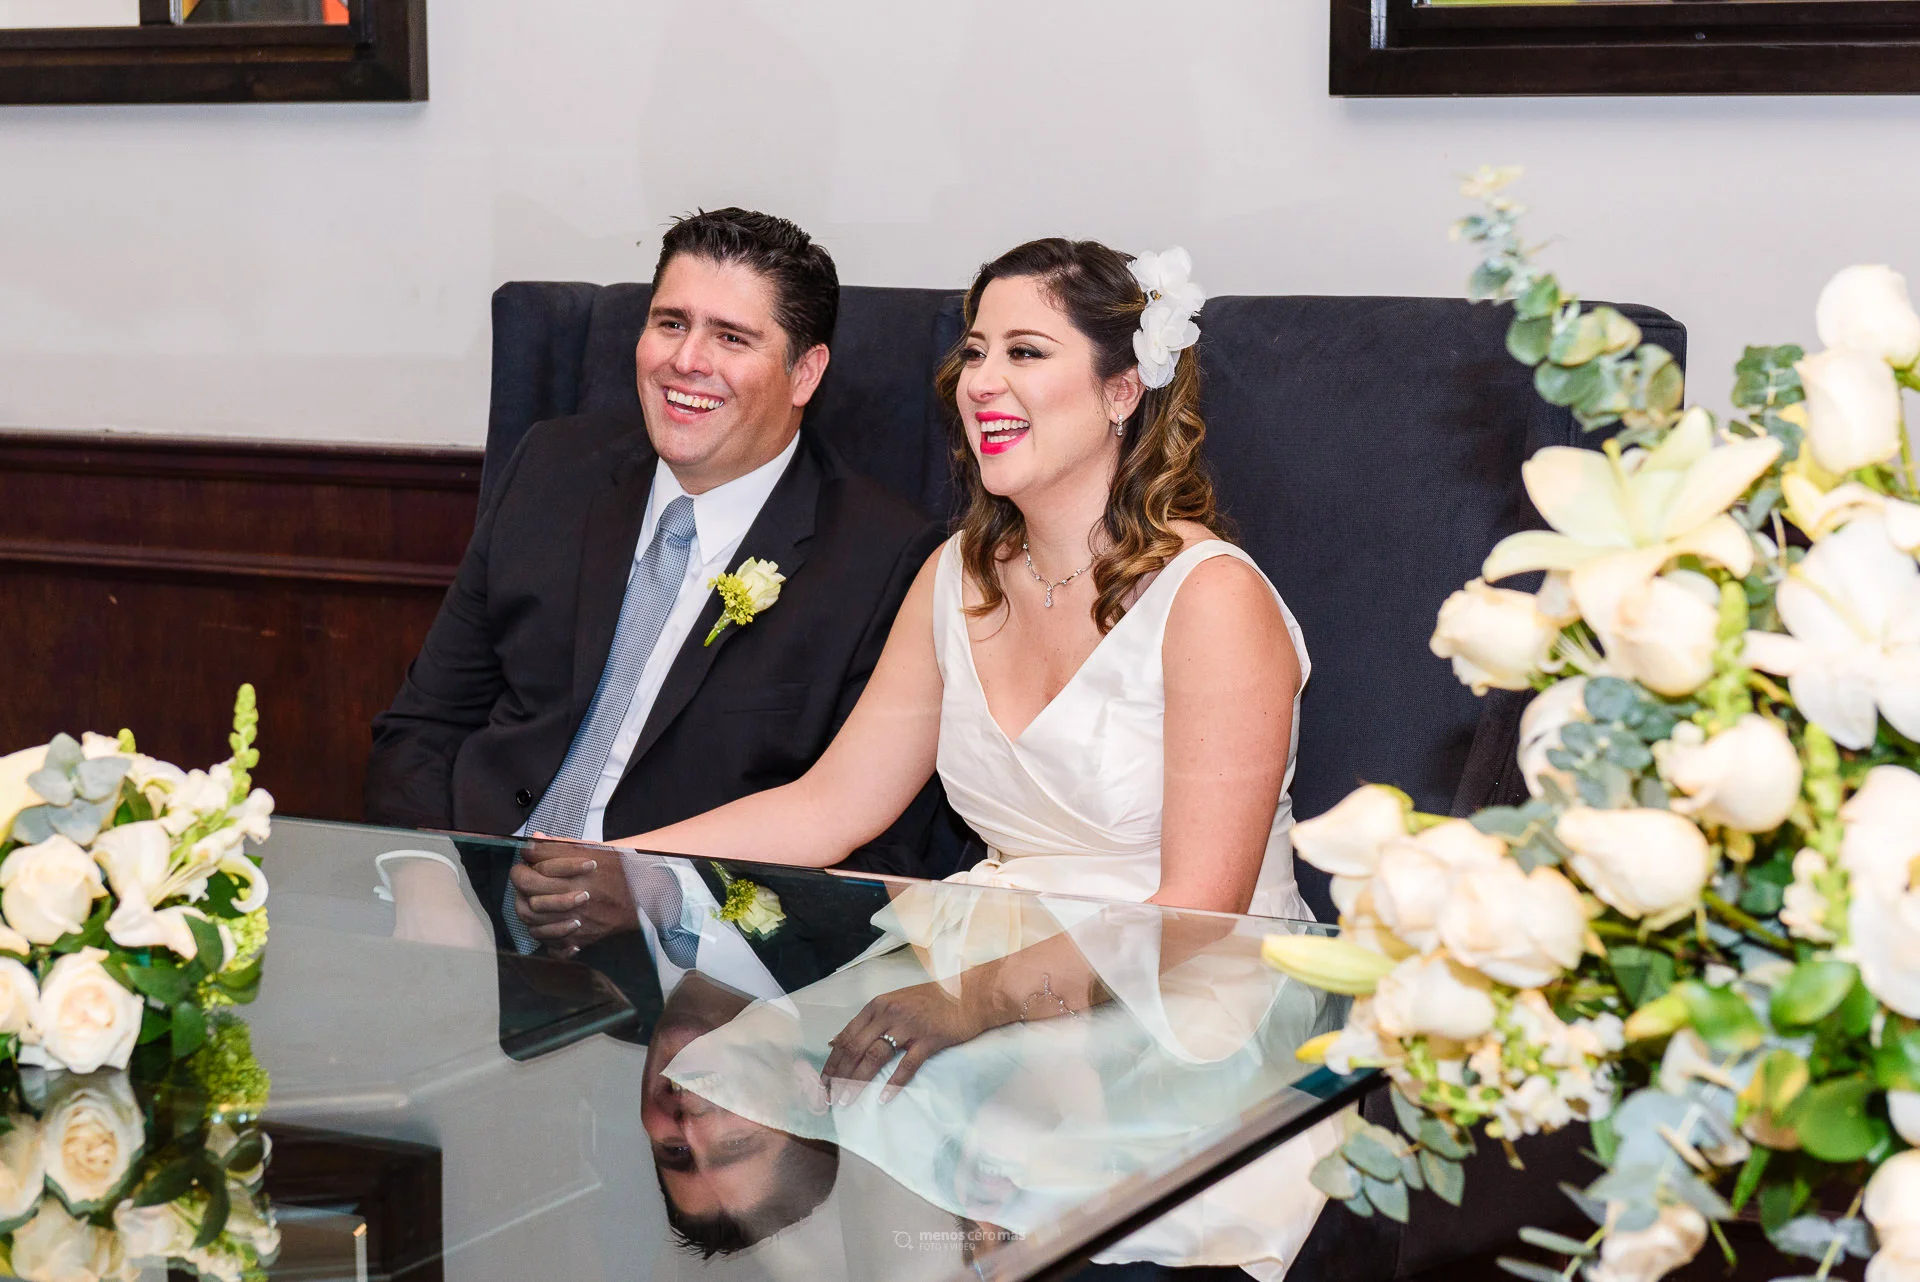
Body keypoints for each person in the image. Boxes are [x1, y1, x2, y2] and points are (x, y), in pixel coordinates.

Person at [521, 238, 1332, 1278]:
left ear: (1123, 389)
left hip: (1180, 988)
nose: (984, 381)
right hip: (980, 943)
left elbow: (1199, 907)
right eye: (977, 351)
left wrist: (974, 1002)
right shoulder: (961, 572)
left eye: (1028, 352)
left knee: (917, 1093)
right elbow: (830, 804)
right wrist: (619, 856)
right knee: (734, 1068)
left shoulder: (1212, 598)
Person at [364, 207, 959, 959]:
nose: (686, 360)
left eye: (731, 337)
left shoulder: (888, 559)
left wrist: (666, 896)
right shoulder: (553, 467)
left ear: (804, 373)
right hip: (460, 912)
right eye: (670, 323)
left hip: (684, 969)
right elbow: (424, 723)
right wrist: (427, 878)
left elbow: (880, 857)